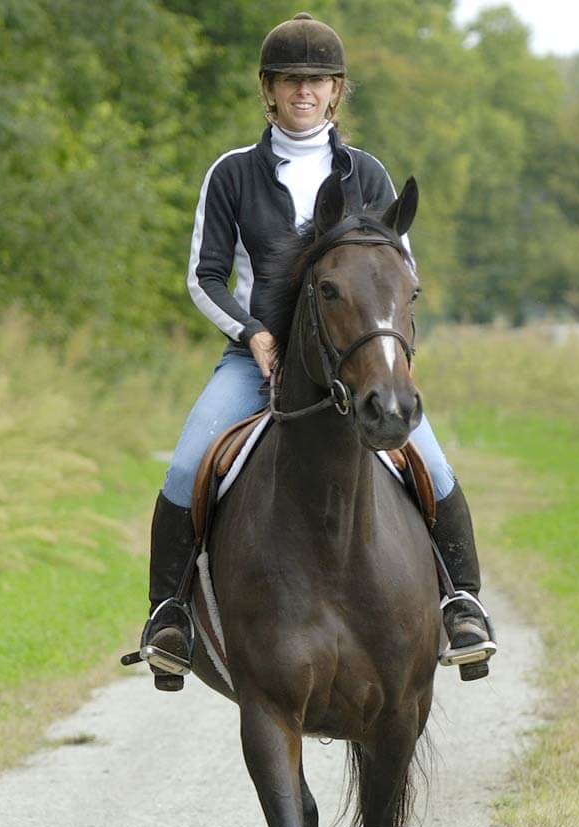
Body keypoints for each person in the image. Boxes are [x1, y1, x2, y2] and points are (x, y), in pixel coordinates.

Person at [139, 13, 496, 689]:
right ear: (267, 91)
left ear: (338, 93)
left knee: (432, 461)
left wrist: (390, 357)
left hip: (356, 363)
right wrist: (254, 333)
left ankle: (462, 604)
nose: (305, 92)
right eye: (291, 80)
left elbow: (398, 275)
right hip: (257, 362)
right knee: (188, 463)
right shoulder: (233, 174)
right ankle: (170, 618)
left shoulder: (368, 174)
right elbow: (203, 276)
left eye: (320, 81)